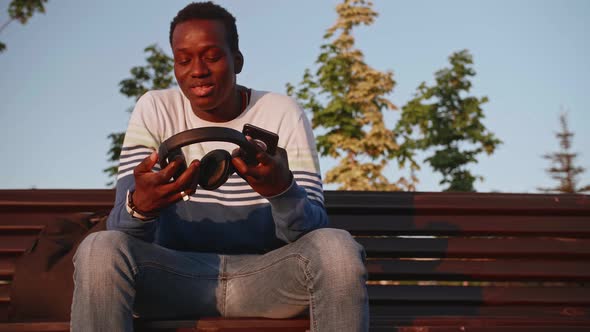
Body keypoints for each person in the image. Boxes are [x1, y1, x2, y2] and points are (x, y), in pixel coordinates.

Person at [71, 2, 368, 331]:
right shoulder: (154, 108)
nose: (197, 70)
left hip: (267, 278)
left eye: (212, 56)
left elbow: (312, 232)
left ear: (237, 60)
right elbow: (122, 230)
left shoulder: (283, 112)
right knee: (100, 247)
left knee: (337, 248)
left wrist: (283, 192)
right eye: (183, 60)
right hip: (175, 278)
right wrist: (141, 208)